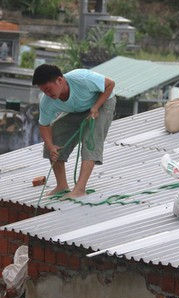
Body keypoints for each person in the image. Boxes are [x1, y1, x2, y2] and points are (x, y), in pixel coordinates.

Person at [32, 64, 116, 198]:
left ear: (60, 80)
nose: (47, 94)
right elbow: (44, 125)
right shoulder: (47, 101)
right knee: (54, 137)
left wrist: (95, 107)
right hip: (77, 110)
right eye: (44, 91)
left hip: (102, 102)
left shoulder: (81, 78)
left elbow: (110, 84)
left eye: (48, 89)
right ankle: (62, 186)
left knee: (90, 139)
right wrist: (51, 146)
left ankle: (80, 189)